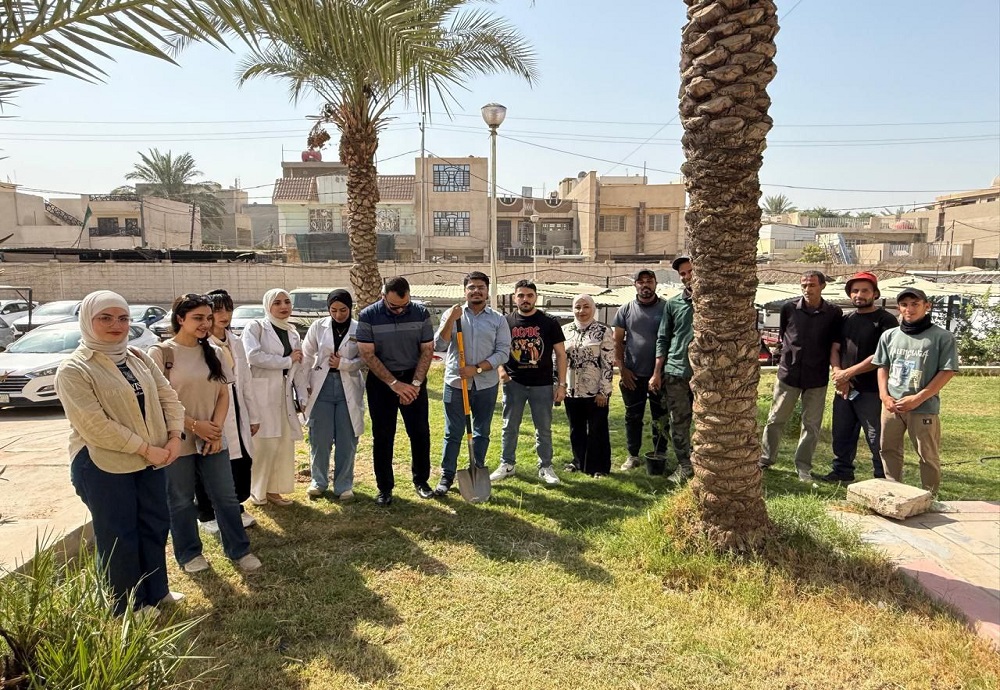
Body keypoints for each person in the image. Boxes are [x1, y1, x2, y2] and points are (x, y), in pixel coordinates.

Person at [55, 290, 185, 615]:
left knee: (154, 524)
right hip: (103, 464)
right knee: (119, 534)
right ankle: (128, 606)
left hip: (154, 456)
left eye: (123, 318)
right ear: (88, 320)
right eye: (106, 318)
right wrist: (146, 449)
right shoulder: (74, 370)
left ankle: (157, 591)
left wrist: (174, 436)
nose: (117, 325)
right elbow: (95, 425)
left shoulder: (136, 358)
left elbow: (167, 395)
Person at [149, 294, 261, 574]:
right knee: (181, 500)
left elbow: (224, 393)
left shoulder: (216, 351)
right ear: (180, 319)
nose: (205, 323)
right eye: (198, 318)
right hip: (178, 439)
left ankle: (239, 549)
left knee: (226, 497)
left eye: (208, 318)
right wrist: (194, 426)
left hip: (212, 437)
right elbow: (159, 403)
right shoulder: (162, 353)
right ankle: (189, 554)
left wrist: (214, 430)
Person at [356, 277, 435, 505]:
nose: (400, 310)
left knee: (420, 432)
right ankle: (385, 488)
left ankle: (421, 481)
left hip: (413, 379)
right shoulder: (368, 316)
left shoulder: (420, 313)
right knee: (383, 435)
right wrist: (394, 384)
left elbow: (428, 350)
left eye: (405, 305)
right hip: (382, 382)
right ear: (383, 297)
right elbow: (367, 354)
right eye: (394, 306)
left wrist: (416, 384)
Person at [759, 270, 843, 482]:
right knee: (775, 419)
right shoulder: (789, 308)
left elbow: (835, 343)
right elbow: (784, 336)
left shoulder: (833, 312)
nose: (807, 289)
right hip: (789, 374)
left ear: (822, 286)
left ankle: (803, 467)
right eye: (804, 285)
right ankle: (766, 458)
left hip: (817, 377)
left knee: (811, 425)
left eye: (812, 285)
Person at [872, 287, 958, 494]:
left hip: (923, 407)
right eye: (904, 305)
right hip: (892, 406)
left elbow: (947, 371)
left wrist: (918, 398)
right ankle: (894, 492)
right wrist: (884, 396)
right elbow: (882, 366)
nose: (909, 309)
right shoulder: (889, 336)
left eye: (915, 304)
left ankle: (930, 496)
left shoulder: (942, 337)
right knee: (888, 449)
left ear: (927, 306)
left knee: (927, 454)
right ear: (898, 308)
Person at [433, 271, 511, 495]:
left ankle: (476, 467)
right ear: (465, 290)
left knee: (481, 431)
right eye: (472, 287)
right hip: (456, 384)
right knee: (453, 432)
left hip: (485, 384)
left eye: (480, 287)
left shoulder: (497, 319)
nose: (476, 291)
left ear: (487, 291)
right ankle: (447, 476)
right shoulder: (453, 314)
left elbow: (503, 353)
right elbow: (439, 344)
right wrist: (450, 319)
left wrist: (476, 368)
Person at [818, 272, 899, 483]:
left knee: (876, 436)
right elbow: (835, 348)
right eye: (855, 291)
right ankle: (842, 472)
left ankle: (882, 477)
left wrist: (848, 373)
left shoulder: (886, 320)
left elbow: (882, 356)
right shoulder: (845, 319)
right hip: (844, 388)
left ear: (875, 293)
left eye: (864, 290)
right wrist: (839, 374)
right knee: (842, 433)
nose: (859, 295)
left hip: (872, 390)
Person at [193, 289, 260, 533]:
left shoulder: (235, 341)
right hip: (211, 411)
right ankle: (206, 513)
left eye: (228, 309)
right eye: (218, 310)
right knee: (209, 461)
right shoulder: (201, 345)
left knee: (240, 461)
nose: (224, 315)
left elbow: (246, 382)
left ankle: (235, 507)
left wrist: (253, 416)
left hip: (238, 409)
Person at [491, 279, 568, 485]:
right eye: (521, 295)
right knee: (509, 426)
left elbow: (561, 355)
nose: (525, 299)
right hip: (514, 383)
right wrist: (501, 371)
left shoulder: (549, 322)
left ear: (536, 297)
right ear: (515, 297)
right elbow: (498, 350)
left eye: (529, 295)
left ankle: (545, 466)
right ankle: (507, 464)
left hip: (542, 384)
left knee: (543, 428)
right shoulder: (505, 322)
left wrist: (561, 385)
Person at [242, 288, 308, 506]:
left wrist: (302, 395)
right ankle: (257, 491)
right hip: (261, 394)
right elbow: (252, 356)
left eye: (287, 302)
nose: (283, 307)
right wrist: (286, 361)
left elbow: (298, 366)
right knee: (264, 444)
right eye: (277, 303)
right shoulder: (256, 327)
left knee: (282, 443)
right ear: (267, 306)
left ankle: (275, 489)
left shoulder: (292, 332)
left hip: (283, 394)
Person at [302, 289, 365, 501]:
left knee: (347, 439)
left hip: (348, 386)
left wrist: (344, 364)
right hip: (321, 386)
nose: (338, 315)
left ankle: (344, 485)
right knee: (319, 438)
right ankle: (318, 481)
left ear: (351, 308)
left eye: (343, 310)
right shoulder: (317, 327)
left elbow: (365, 359)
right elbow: (306, 354)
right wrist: (303, 385)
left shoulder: (360, 329)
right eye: (334, 310)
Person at [614, 269, 669, 471]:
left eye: (649, 281)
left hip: (660, 375)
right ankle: (633, 455)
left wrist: (660, 372)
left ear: (655, 284)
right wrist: (623, 369)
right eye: (641, 281)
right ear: (635, 285)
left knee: (661, 417)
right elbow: (617, 342)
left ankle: (660, 454)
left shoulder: (666, 308)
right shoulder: (625, 310)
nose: (645, 285)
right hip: (633, 375)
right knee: (633, 417)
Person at [649, 256, 695, 485]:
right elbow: (663, 339)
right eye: (683, 274)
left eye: (690, 272)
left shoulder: (717, 305)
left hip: (708, 376)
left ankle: (704, 461)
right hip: (676, 371)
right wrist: (657, 372)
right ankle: (685, 464)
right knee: (679, 421)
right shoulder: (673, 304)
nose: (686, 277)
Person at [561, 294, 614, 477]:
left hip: (595, 391)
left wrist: (604, 391)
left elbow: (608, 363)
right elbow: (558, 359)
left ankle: (599, 467)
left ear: (593, 309)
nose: (581, 311)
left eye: (585, 307)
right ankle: (578, 461)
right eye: (577, 307)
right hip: (571, 390)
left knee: (597, 429)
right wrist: (559, 386)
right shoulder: (565, 330)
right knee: (576, 429)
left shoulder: (603, 331)